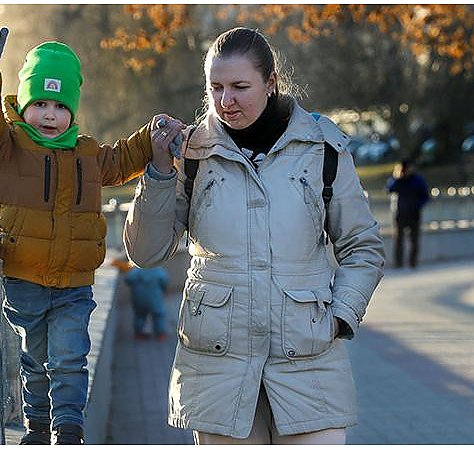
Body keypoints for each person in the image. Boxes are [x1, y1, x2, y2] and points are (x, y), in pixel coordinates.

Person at [123, 27, 385, 444]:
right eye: (216, 88)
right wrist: (157, 173)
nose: (226, 101)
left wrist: (338, 317)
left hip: (308, 363)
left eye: (240, 86)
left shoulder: (322, 149)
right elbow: (146, 252)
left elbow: (362, 247)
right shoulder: (191, 154)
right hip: (217, 366)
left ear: (271, 83)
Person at [0, 18, 182, 445]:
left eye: (61, 107)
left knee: (69, 356)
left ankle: (69, 428)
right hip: (24, 279)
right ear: (24, 106)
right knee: (35, 360)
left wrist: (152, 138)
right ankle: (37, 428)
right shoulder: (6, 148)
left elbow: (123, 159)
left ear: (73, 112)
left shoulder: (87, 154)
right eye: (41, 103)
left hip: (75, 284)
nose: (50, 114)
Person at [387, 159, 430, 268]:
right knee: (398, 240)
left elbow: (425, 196)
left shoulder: (417, 180)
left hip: (414, 213)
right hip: (400, 213)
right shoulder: (398, 180)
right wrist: (397, 177)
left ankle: (413, 262)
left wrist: (417, 205)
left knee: (414, 240)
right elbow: (390, 189)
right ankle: (398, 263)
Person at [123, 262, 170, 341]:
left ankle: (138, 332)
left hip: (139, 298)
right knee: (158, 315)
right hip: (155, 298)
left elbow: (128, 279)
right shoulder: (158, 269)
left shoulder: (137, 269)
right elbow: (165, 281)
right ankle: (160, 333)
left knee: (140, 315)